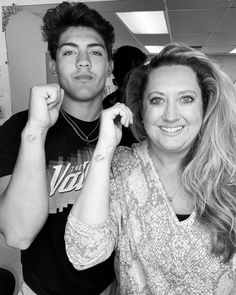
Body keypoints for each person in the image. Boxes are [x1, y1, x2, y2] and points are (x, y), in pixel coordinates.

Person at [65, 43, 236, 294]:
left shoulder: (229, 168)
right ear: (141, 111)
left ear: (204, 107)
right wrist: (104, 149)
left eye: (186, 99)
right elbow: (83, 253)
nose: (170, 115)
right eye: (157, 100)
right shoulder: (122, 167)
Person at [0, 2, 134, 294]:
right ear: (53, 63)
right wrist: (36, 130)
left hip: (110, 287)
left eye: (96, 52)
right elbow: (18, 235)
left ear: (110, 64)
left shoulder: (128, 134)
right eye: (70, 51)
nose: (83, 62)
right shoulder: (19, 130)